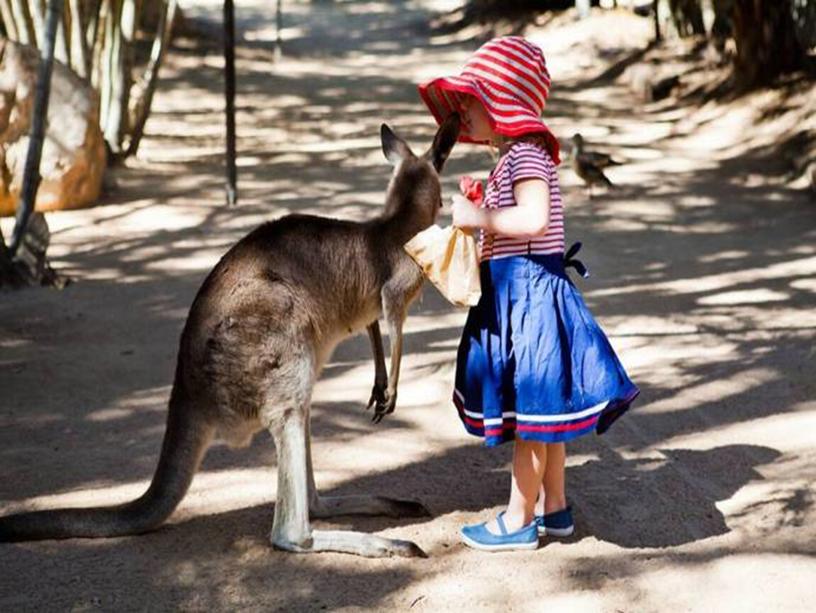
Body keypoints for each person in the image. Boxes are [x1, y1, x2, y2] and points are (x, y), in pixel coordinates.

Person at [418, 36, 639, 551]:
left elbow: (535, 218)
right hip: (516, 295)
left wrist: (481, 217)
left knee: (533, 422)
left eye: (472, 99)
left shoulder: (528, 157)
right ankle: (555, 509)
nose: (463, 110)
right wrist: (485, 198)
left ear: (503, 101)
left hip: (532, 299)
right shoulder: (514, 158)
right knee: (544, 417)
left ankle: (519, 519)